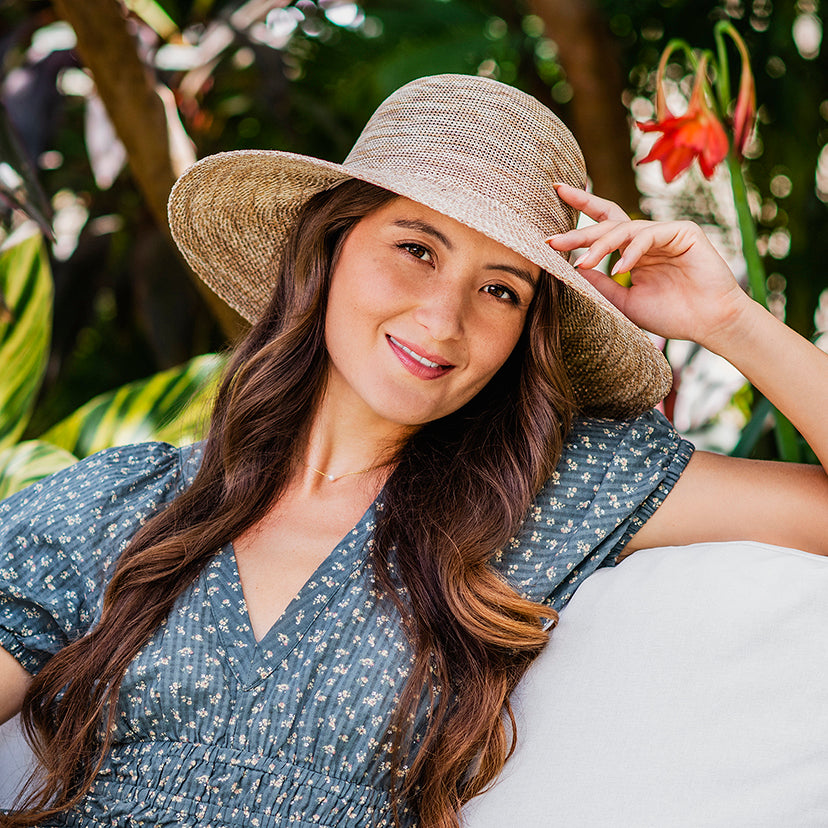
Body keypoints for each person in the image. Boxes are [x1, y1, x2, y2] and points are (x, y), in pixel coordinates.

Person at [0, 73, 825, 828]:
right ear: (327, 250)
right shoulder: (118, 507)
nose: (442, 318)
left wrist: (730, 321)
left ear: (523, 335)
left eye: (501, 288)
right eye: (416, 249)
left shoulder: (543, 496)